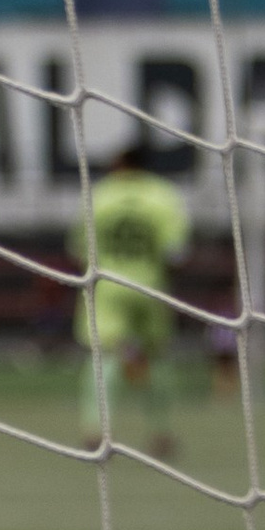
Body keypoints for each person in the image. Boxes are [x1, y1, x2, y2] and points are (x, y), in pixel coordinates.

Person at [71, 134, 190, 455]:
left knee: (106, 355)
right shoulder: (163, 196)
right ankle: (160, 432)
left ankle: (95, 429)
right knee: (156, 358)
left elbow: (81, 248)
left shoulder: (100, 195)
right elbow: (176, 252)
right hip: (150, 284)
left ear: (119, 164)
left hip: (108, 284)